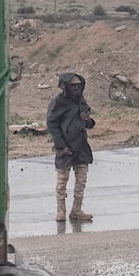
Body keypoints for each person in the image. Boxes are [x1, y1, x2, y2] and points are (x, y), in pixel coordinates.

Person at [46, 72, 95, 222]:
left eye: (77, 85)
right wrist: (61, 145)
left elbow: (89, 124)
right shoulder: (57, 103)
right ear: (65, 86)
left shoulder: (81, 101)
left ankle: (77, 209)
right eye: (72, 86)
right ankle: (60, 210)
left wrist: (88, 120)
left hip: (81, 146)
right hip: (65, 148)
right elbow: (52, 125)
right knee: (62, 180)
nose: (75, 88)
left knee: (81, 180)